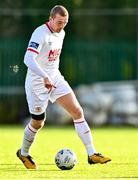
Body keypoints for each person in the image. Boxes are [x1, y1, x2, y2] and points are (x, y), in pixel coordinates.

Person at [16, 5, 111, 169]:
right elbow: (28, 59)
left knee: (77, 111)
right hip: (37, 83)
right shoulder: (40, 34)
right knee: (38, 122)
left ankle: (92, 154)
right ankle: (23, 153)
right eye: (59, 22)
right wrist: (44, 76)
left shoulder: (62, 33)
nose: (62, 26)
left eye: (65, 23)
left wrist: (50, 76)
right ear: (51, 18)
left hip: (55, 78)